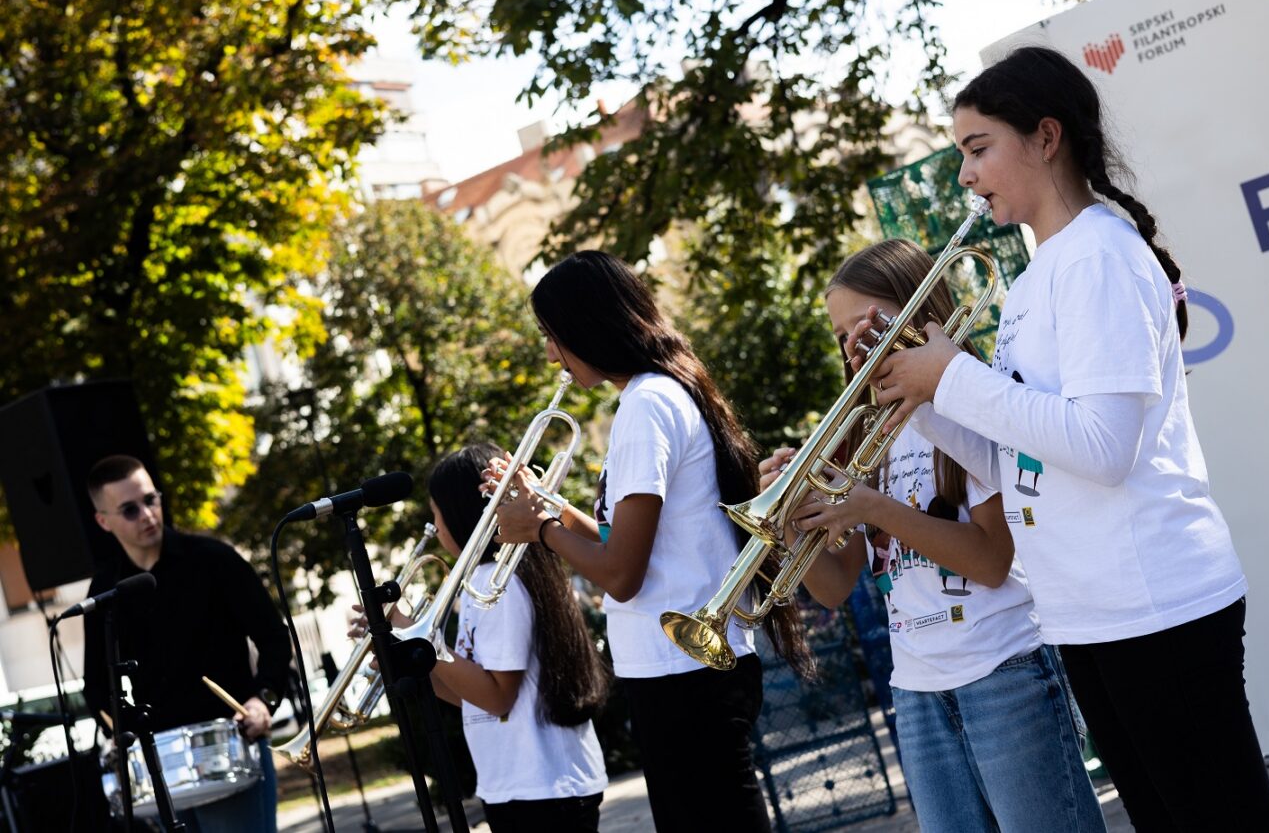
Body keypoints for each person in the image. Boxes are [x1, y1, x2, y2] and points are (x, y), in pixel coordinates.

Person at [856, 46, 1269, 830]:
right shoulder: (1041, 274)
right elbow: (1028, 462)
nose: (965, 177)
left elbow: (1102, 448)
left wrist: (952, 376)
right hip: (1091, 612)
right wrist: (920, 398)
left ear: (1046, 137)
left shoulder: (1099, 257)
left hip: (1157, 606)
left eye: (978, 150)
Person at [761, 239, 1105, 833]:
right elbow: (836, 587)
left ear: (920, 309)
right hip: (917, 690)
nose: (854, 345)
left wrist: (876, 508)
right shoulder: (866, 430)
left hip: (1005, 670)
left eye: (867, 323)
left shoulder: (973, 402)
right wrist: (794, 522)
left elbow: (994, 561)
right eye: (842, 334)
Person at [491, 250, 814, 833]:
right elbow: (629, 544)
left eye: (551, 334)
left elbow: (621, 574)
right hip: (679, 665)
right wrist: (553, 507)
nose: (549, 353)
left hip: (681, 672)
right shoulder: (658, 394)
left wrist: (537, 529)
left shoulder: (644, 404)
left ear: (586, 327)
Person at [350, 443, 609, 832]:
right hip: (521, 784)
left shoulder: (497, 583)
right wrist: (404, 654)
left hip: (542, 786)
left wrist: (411, 634)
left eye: (436, 514)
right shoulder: (481, 581)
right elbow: (474, 699)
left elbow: (498, 696)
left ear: (461, 514)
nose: (435, 528)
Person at [83, 454, 289, 832]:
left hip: (229, 745)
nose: (147, 515)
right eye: (129, 509)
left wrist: (264, 699)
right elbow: (95, 684)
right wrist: (122, 730)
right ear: (103, 521)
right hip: (160, 767)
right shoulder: (106, 590)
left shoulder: (214, 560)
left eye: (151, 500)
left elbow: (274, 638)